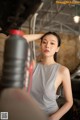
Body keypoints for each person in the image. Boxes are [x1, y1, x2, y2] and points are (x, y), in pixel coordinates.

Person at [24, 32, 73, 120]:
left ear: (57, 48)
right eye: (44, 42)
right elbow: (22, 39)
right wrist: (42, 35)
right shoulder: (34, 65)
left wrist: (55, 117)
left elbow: (69, 102)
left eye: (52, 43)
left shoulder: (63, 71)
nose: (47, 46)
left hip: (50, 116)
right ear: (40, 45)